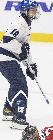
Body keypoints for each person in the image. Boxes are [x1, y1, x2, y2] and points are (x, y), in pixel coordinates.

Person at [0, 0, 40, 129]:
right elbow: (7, 40)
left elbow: (25, 47)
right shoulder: (20, 23)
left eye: (35, 9)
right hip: (5, 59)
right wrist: (21, 51)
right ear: (25, 11)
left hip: (8, 59)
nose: (35, 12)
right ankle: (19, 119)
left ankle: (8, 110)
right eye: (32, 10)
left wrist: (30, 65)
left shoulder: (27, 23)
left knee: (16, 83)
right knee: (20, 84)